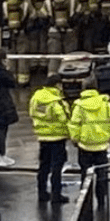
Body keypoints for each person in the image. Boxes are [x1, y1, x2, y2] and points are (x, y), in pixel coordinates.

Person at [68, 76, 110, 208]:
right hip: (101, 146)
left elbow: (74, 125)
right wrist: (108, 138)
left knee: (85, 174)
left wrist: (75, 140)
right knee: (102, 175)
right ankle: (101, 201)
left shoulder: (79, 105)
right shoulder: (105, 104)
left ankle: (86, 202)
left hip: (85, 146)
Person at [30, 72, 70, 204]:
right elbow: (64, 119)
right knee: (56, 168)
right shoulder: (56, 101)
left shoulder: (36, 97)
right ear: (57, 85)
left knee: (44, 166)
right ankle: (56, 195)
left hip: (43, 137)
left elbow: (32, 113)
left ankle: (42, 193)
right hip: (57, 138)